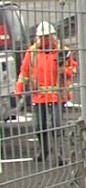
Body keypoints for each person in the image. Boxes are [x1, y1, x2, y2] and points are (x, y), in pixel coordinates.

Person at [15, 21, 78, 164]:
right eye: (42, 37)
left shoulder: (63, 51)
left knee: (57, 124)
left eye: (48, 37)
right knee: (40, 125)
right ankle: (43, 150)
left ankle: (61, 154)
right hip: (39, 95)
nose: (45, 40)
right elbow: (24, 72)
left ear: (53, 36)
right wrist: (19, 88)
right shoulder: (32, 53)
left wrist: (65, 70)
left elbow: (73, 68)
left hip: (57, 94)